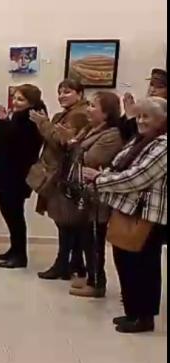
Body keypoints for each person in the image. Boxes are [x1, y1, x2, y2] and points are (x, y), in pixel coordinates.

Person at [82, 97, 167, 334]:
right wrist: (104, 176)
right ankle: (132, 311)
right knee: (125, 262)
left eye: (146, 117)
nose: (140, 121)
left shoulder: (163, 145)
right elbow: (117, 165)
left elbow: (137, 177)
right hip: (128, 211)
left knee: (144, 266)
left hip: (147, 215)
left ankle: (144, 317)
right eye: (138, 116)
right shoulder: (140, 140)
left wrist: (99, 179)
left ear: (162, 119)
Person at [61, 91, 124, 298]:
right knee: (85, 238)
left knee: (95, 240)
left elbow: (90, 159)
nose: (88, 109)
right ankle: (90, 277)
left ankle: (97, 282)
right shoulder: (90, 129)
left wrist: (73, 144)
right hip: (84, 193)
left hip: (98, 196)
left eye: (93, 106)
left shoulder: (111, 135)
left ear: (106, 113)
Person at [30, 79, 90, 280]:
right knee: (66, 222)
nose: (62, 96)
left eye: (67, 92)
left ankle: (63, 264)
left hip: (65, 175)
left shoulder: (79, 114)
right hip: (57, 172)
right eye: (60, 92)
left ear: (79, 94)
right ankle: (75, 263)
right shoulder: (63, 114)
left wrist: (43, 124)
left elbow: (61, 142)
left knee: (66, 222)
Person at [0, 84, 45, 269]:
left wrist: (3, 121)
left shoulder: (30, 119)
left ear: (31, 102)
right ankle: (14, 249)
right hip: (8, 171)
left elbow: (13, 141)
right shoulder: (18, 116)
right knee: (8, 210)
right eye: (14, 98)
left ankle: (20, 255)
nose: (15, 102)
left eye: (21, 99)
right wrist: (1, 120)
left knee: (14, 213)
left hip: (18, 173)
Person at [120, 68, 167, 141]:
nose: (152, 90)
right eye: (151, 85)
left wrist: (130, 116)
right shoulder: (143, 106)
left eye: (159, 87)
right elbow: (124, 136)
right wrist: (129, 113)